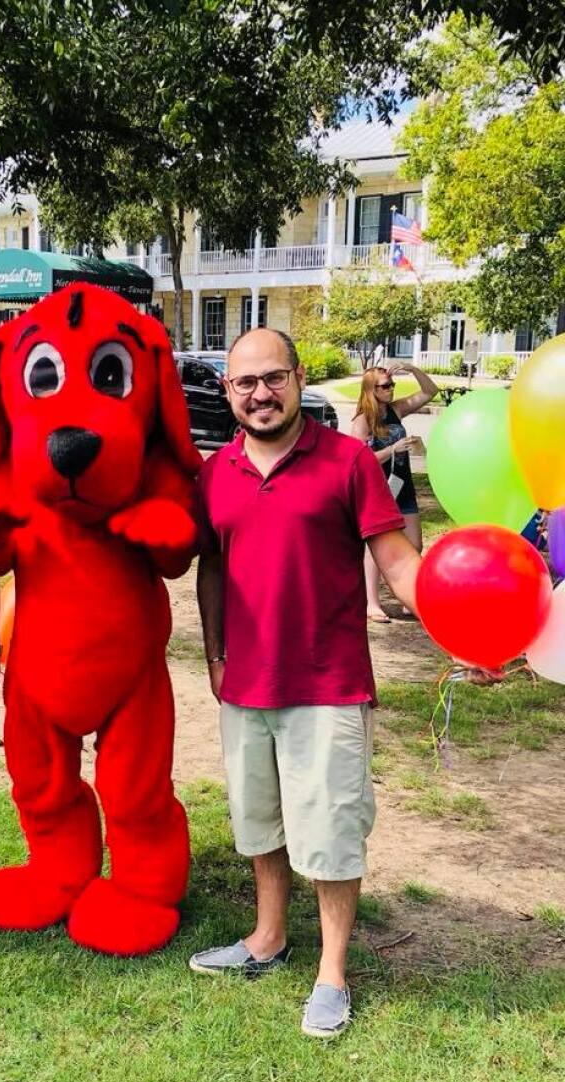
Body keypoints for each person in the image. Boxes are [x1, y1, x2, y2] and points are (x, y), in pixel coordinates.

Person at [189, 327, 422, 1038]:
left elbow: (401, 562)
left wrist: (466, 624)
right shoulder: (215, 471)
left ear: (297, 378)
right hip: (247, 682)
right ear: (228, 392)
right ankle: (267, 937)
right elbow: (211, 569)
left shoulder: (348, 461)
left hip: (328, 680)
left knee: (330, 832)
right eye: (244, 382)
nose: (260, 393)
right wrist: (215, 652)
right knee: (259, 822)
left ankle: (332, 971)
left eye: (273, 377)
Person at [351, 363, 440, 622]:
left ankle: (407, 599)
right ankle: (372, 603)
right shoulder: (362, 420)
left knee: (415, 544)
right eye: (385, 386)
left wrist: (412, 369)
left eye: (392, 385)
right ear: (371, 389)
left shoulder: (396, 410)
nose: (391, 389)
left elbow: (429, 391)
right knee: (375, 547)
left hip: (402, 484)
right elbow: (359, 460)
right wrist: (393, 449)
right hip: (378, 489)